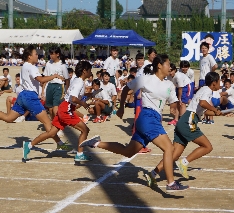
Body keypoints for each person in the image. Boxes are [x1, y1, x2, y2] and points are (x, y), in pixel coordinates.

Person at [80, 54, 189, 192]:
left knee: (128, 152)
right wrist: (121, 108)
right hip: (147, 117)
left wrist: (174, 111)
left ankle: (96, 143)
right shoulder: (145, 79)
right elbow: (126, 89)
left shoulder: (169, 84)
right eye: (168, 64)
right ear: (159, 65)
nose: (170, 67)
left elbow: (173, 103)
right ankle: (171, 183)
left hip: (154, 119)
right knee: (169, 148)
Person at [0, 45, 72, 156]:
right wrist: (55, 76)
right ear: (29, 56)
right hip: (30, 97)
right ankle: (60, 143)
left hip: (22, 96)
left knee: (9, 118)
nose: (37, 56)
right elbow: (41, 79)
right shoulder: (32, 67)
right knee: (48, 123)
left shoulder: (25, 65)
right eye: (35, 54)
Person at [145, 72, 223, 183]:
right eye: (219, 81)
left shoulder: (204, 90)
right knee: (207, 147)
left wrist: (218, 113)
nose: (220, 84)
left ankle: (152, 174)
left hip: (184, 121)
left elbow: (205, 110)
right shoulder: (207, 90)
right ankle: (184, 163)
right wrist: (215, 109)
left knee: (173, 155)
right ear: (214, 83)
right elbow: (203, 103)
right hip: (188, 121)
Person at [23, 61, 94, 162]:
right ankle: (80, 154)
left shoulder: (77, 80)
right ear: (84, 71)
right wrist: (85, 105)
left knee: (51, 133)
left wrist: (90, 94)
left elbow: (74, 95)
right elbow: (73, 99)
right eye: (89, 70)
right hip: (66, 110)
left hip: (63, 107)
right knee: (85, 130)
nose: (91, 72)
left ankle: (29, 145)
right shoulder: (79, 82)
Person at [42, 46, 70, 137]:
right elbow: (45, 77)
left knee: (55, 107)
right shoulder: (48, 64)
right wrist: (43, 90)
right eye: (50, 54)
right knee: (50, 108)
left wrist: (67, 90)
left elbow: (67, 79)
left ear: (57, 54)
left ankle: (59, 127)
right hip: (50, 86)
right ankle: (55, 125)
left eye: (52, 54)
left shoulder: (62, 65)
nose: (51, 56)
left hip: (59, 86)